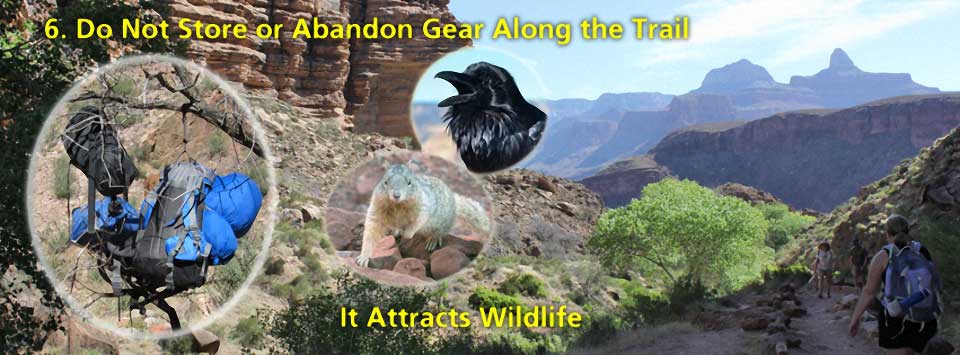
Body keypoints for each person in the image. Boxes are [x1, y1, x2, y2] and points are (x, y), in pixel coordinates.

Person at [849, 215, 938, 354]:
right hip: (925, 317)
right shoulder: (922, 250)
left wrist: (855, 318)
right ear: (908, 231)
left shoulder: (883, 256)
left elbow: (869, 292)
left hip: (895, 318)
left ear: (887, 234)